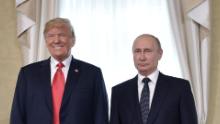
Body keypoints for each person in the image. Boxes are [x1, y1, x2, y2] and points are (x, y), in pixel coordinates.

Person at [10, 18, 108, 124]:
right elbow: (17, 115)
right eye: (51, 36)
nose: (56, 40)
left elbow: (101, 116)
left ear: (73, 40)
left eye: (62, 35)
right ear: (46, 41)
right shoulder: (27, 74)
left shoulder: (92, 74)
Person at [110, 34, 198, 124]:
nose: (142, 57)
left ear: (160, 54)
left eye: (147, 51)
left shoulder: (180, 88)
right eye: (137, 51)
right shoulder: (119, 92)